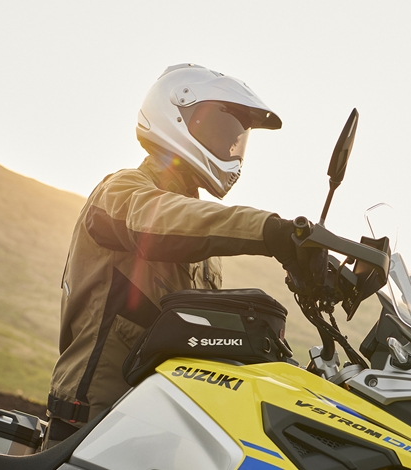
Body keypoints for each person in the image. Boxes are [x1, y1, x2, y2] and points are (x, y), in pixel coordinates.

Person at [43, 63, 304, 447]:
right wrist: (271, 231)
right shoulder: (121, 190)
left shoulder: (201, 245)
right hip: (94, 422)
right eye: (222, 131)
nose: (231, 147)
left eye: (237, 139)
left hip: (155, 425)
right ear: (176, 115)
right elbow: (158, 221)